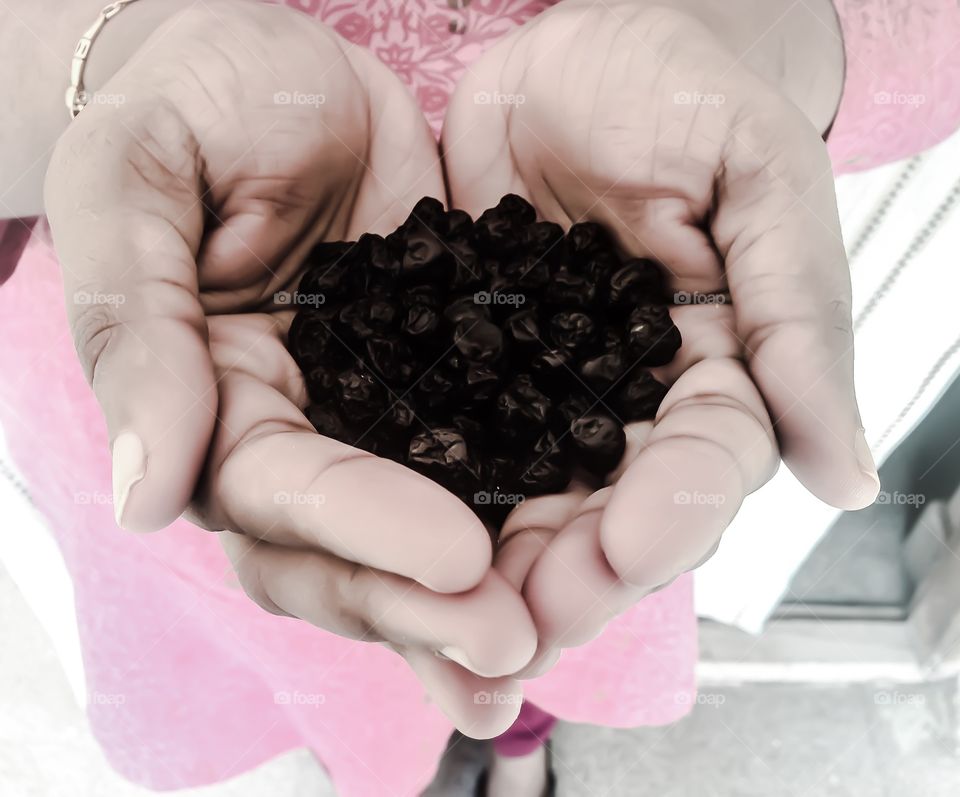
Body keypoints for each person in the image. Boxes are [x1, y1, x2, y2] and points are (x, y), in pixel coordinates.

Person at [0, 0, 956, 795]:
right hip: (193, 309)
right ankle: (392, 761)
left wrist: (743, 41)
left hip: (629, 233)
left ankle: (517, 741)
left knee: (550, 605)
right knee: (326, 640)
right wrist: (109, 63)